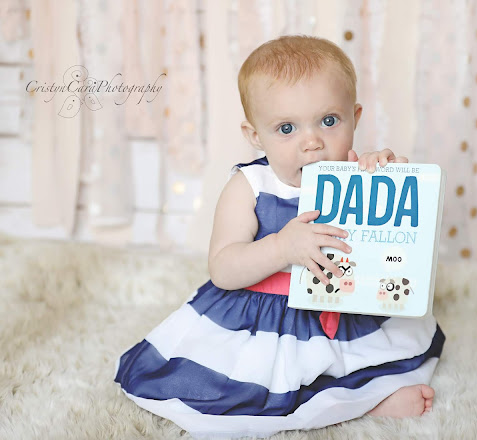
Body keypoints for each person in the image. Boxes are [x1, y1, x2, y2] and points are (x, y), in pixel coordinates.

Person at [114, 35, 445, 439]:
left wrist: (386, 176)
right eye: (286, 128)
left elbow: (387, 240)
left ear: (355, 117)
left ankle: (369, 399)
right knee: (258, 388)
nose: (312, 142)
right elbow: (223, 268)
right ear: (255, 135)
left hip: (342, 305)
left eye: (329, 121)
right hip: (268, 315)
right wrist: (282, 247)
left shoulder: (356, 173)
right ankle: (353, 404)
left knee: (362, 362)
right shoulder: (251, 185)